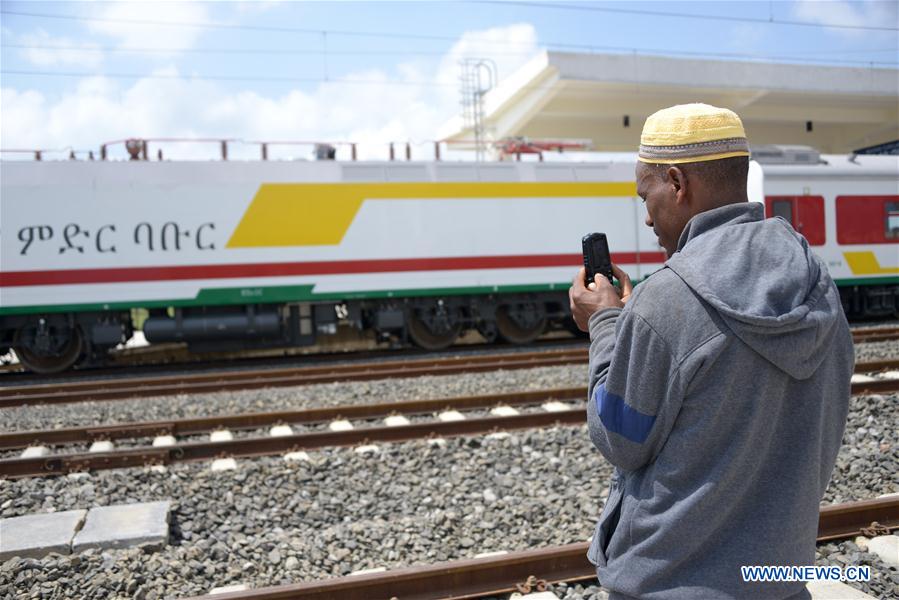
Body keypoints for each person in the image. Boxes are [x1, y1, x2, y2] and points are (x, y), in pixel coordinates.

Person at [568, 103, 853, 600]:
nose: (646, 214)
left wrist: (608, 324)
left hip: (669, 586)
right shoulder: (817, 280)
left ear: (677, 183)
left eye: (646, 193)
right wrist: (642, 325)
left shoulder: (669, 298)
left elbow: (619, 436)